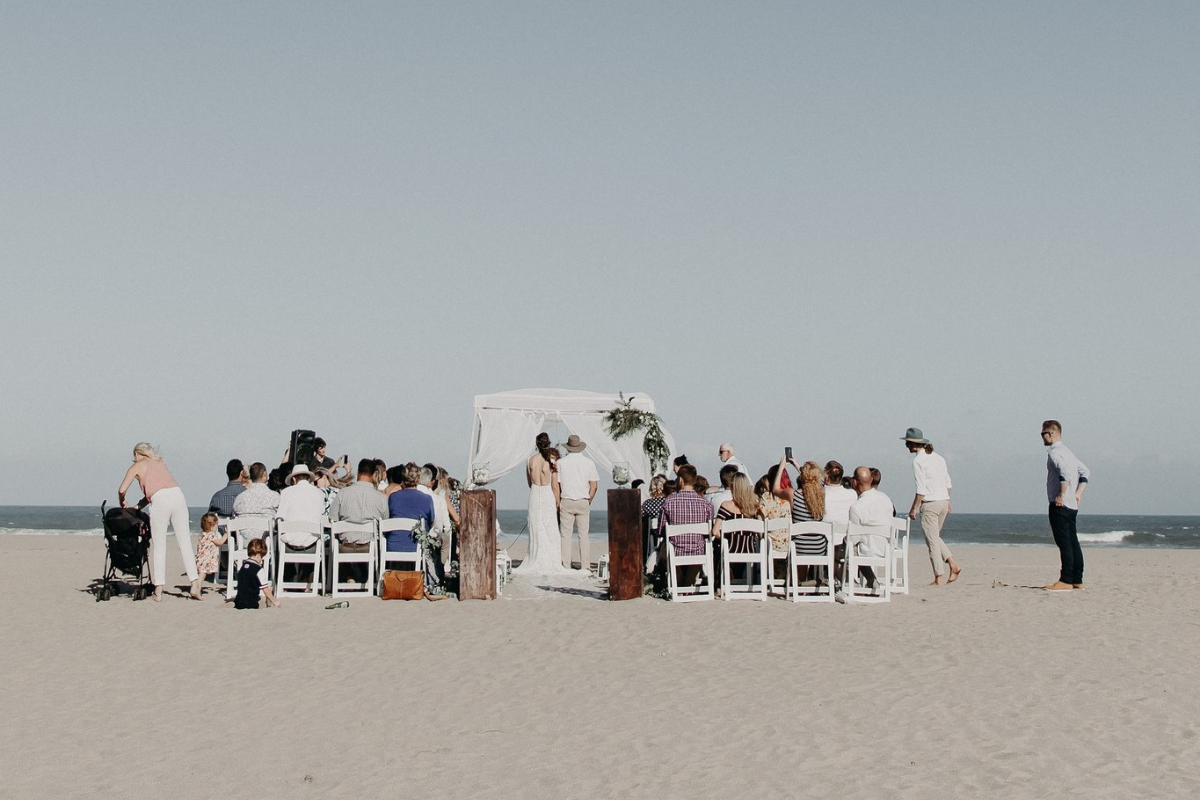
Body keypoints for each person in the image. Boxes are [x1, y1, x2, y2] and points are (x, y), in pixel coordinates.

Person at [118, 442, 201, 601]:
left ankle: (159, 590)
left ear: (137, 454)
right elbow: (157, 490)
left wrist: (122, 501)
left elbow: (122, 490)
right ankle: (195, 584)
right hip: (178, 495)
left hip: (160, 502)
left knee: (159, 546)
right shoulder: (159, 462)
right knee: (185, 542)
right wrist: (138, 506)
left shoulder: (136, 466)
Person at [902, 427, 962, 586]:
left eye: (907, 443)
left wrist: (913, 508)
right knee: (934, 537)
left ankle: (939, 577)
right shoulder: (939, 458)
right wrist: (947, 500)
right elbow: (947, 483)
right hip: (943, 501)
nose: (907, 446)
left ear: (913, 444)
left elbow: (921, 489)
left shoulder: (918, 461)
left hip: (930, 504)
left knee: (932, 542)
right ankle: (953, 565)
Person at [1042, 420, 1090, 591]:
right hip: (1072, 506)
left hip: (1060, 504)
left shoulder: (1055, 453)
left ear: (1052, 433)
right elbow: (1085, 472)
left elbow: (1065, 473)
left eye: (1043, 434)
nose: (1042, 438)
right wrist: (1078, 493)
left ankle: (1066, 580)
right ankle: (1077, 579)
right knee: (1072, 541)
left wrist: (1061, 495)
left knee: (1064, 543)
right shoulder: (1069, 453)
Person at [516, 433, 573, 575]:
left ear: (537, 444)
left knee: (536, 527)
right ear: (548, 443)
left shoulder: (530, 460)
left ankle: (536, 557)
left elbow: (529, 483)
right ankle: (551, 559)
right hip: (547, 494)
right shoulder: (552, 459)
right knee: (549, 527)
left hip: (535, 494)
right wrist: (558, 502)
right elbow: (554, 485)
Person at [656, 464, 715, 587]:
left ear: (681, 480)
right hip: (698, 552)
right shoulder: (706, 504)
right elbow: (709, 532)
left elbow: (661, 531)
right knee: (701, 547)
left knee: (663, 550)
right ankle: (688, 582)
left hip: (675, 550)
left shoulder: (669, 502)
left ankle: (678, 581)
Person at [712, 473, 762, 596]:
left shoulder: (726, 505)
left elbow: (714, 531)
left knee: (717, 545)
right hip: (749, 549)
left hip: (731, 549)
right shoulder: (755, 507)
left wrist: (726, 538)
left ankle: (719, 586)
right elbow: (760, 531)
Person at [557, 435, 599, 572]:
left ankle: (566, 564)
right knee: (584, 535)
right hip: (583, 500)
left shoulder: (561, 463)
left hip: (566, 499)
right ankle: (585, 565)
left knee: (565, 535)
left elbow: (557, 485)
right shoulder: (588, 462)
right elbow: (594, 486)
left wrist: (558, 501)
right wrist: (589, 499)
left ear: (568, 447)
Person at [847, 466, 894, 586]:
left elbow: (853, 538)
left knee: (843, 547)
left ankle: (846, 581)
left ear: (855, 482)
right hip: (886, 547)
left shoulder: (857, 507)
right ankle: (870, 580)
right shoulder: (886, 499)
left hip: (867, 550)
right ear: (871, 480)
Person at [385, 463, 435, 552]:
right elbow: (431, 523)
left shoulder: (393, 497)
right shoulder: (427, 499)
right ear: (418, 480)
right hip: (416, 547)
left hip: (393, 546)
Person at [275, 464, 325, 548]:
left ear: (294, 479)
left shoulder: (286, 492)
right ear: (308, 479)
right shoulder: (319, 493)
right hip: (312, 542)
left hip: (289, 543)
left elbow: (279, 518)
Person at [233, 537, 281, 609]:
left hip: (239, 603)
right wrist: (275, 601)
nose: (261, 560)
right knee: (268, 589)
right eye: (261, 557)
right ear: (258, 555)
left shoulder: (243, 567)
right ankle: (269, 604)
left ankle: (268, 603)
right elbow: (265, 590)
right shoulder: (258, 570)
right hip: (251, 604)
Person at [193, 511, 228, 595]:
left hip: (200, 558)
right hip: (205, 559)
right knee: (201, 576)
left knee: (201, 575)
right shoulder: (211, 535)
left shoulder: (202, 534)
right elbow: (219, 543)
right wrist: (226, 534)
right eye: (216, 525)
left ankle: (196, 589)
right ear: (212, 527)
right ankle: (196, 590)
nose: (217, 527)